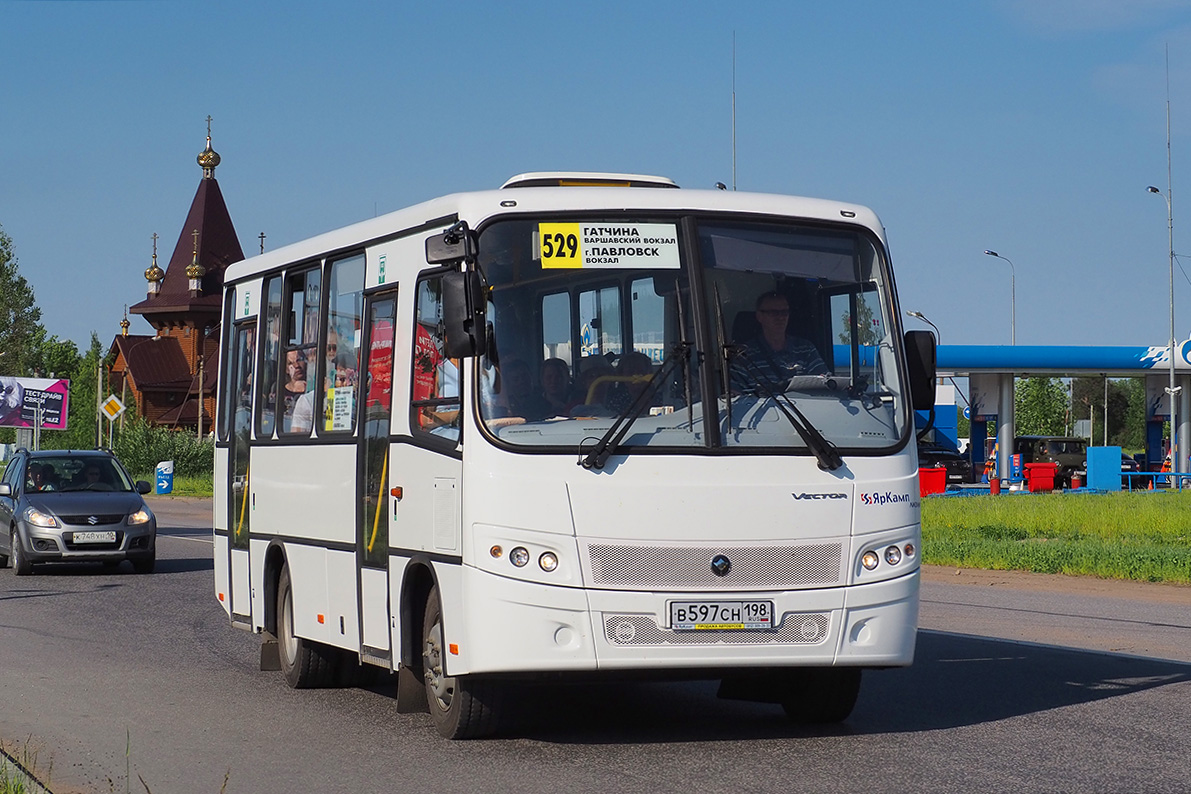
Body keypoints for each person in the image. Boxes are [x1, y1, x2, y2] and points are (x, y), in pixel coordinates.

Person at [733, 291, 827, 392]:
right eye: (774, 313)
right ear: (759, 316)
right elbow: (734, 397)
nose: (781, 317)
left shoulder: (806, 349)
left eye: (784, 312)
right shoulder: (744, 356)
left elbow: (825, 384)